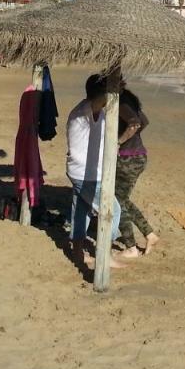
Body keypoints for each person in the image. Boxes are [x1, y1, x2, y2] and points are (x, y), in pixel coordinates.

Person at [67, 74, 135, 267]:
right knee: (112, 211)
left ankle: (78, 252)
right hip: (86, 175)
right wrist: (113, 88)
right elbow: (99, 101)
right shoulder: (84, 110)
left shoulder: (95, 111)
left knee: (81, 212)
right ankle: (104, 255)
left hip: (80, 171)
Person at [115, 87, 160, 255]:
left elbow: (135, 123)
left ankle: (131, 247)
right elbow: (145, 121)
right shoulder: (129, 99)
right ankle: (150, 234)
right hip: (138, 155)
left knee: (116, 202)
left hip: (128, 158)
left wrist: (119, 141)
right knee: (122, 199)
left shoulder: (121, 101)